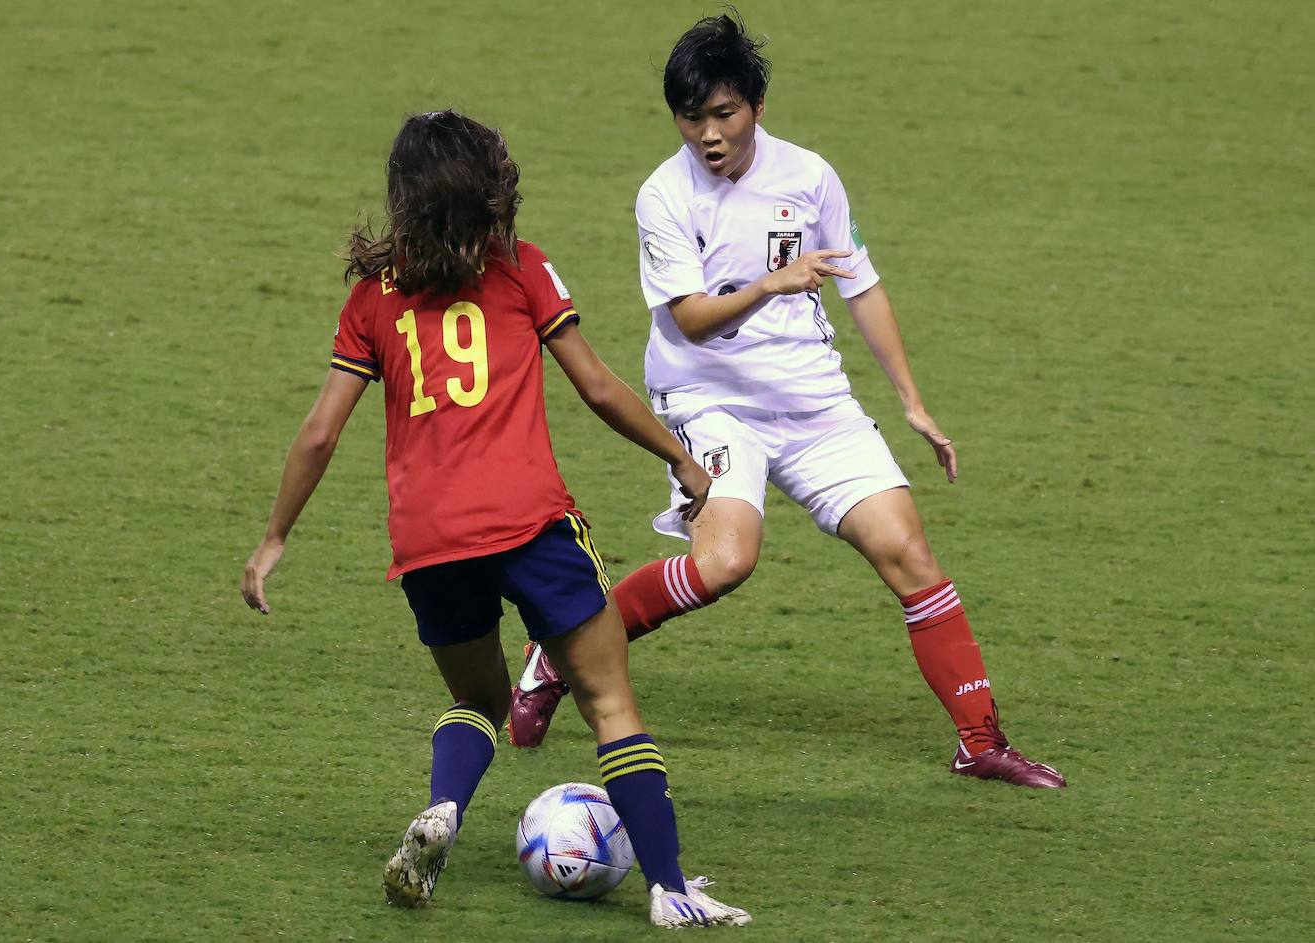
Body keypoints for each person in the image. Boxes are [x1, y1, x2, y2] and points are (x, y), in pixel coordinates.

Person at [509, 15, 1065, 790]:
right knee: (726, 561)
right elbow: (691, 322)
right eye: (691, 116)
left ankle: (980, 741)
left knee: (909, 553)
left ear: (758, 107)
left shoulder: (810, 176)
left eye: (724, 113)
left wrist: (912, 401)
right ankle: (561, 650)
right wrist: (771, 282)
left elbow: (860, 284)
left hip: (812, 402)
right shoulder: (664, 196)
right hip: (709, 399)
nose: (708, 133)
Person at [239, 110, 751, 927]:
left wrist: (273, 540)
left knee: (477, 699)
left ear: (405, 197)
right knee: (610, 702)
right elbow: (599, 387)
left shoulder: (374, 299)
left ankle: (444, 808)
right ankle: (670, 888)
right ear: (491, 188)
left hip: (430, 543)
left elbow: (320, 430)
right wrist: (685, 460)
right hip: (532, 526)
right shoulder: (522, 271)